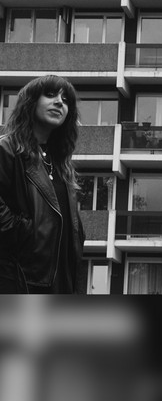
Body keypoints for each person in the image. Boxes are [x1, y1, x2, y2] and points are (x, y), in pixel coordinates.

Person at [0, 75, 85, 293]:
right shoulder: (7, 150)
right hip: (21, 279)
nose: (59, 102)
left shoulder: (60, 162)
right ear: (30, 102)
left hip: (62, 281)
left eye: (65, 100)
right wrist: (25, 233)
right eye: (50, 95)